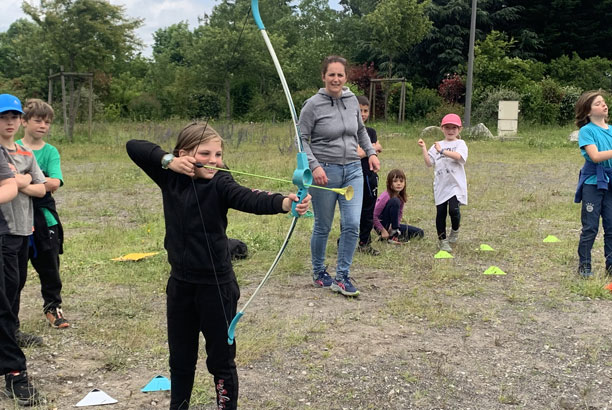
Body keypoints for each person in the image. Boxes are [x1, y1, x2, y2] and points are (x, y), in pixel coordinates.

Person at [126, 123, 311, 410]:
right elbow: (133, 146)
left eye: (218, 154)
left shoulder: (221, 182)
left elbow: (249, 197)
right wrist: (168, 161)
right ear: (184, 154)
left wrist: (286, 202)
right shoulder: (170, 176)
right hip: (180, 286)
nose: (214, 160)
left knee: (221, 361)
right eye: (206, 153)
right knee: (181, 359)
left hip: (217, 287)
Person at [299, 55, 380, 297]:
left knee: (352, 224)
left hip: (353, 170)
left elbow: (360, 130)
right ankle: (318, 271)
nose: (336, 79)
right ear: (323, 76)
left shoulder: (352, 100)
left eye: (340, 75)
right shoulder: (312, 105)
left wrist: (371, 153)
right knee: (323, 226)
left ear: (346, 77)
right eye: (331, 74)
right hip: (325, 173)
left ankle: (342, 276)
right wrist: (314, 166)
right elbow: (301, 139)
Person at [0, 93, 42, 406]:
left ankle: (13, 365)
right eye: (5, 117)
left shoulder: (18, 152)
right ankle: (14, 367)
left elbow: (16, 186)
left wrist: (23, 178)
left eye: (14, 116)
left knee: (10, 293)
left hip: (14, 231)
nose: (10, 122)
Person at [16, 99, 69, 329]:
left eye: (47, 122)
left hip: (44, 217)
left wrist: (24, 182)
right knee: (13, 272)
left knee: (49, 266)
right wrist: (38, 182)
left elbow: (54, 182)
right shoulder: (12, 148)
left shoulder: (50, 152)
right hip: (15, 218)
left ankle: (53, 308)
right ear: (23, 121)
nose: (43, 125)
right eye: (38, 120)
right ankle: (10, 317)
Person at [573, 90, 612, 278]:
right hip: (593, 184)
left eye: (603, 102)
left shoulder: (611, 130)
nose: (603, 105)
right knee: (590, 227)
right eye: (597, 103)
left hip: (610, 183)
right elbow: (595, 156)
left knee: (611, 226)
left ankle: (610, 267)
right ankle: (585, 267)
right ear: (587, 111)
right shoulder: (586, 131)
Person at [417, 113, 468, 252]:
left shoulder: (460, 143)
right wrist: (423, 148)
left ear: (459, 129)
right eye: (447, 127)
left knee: (453, 210)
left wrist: (443, 151)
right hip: (441, 185)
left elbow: (459, 157)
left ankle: (455, 230)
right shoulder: (437, 145)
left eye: (454, 128)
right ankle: (442, 240)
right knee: (441, 213)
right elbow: (429, 163)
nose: (450, 130)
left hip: (455, 185)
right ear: (442, 128)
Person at [356, 95, 383, 255]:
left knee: (368, 210)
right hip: (354, 175)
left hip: (370, 176)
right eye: (360, 111)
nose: (363, 114)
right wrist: (373, 148)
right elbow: (356, 154)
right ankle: (346, 240)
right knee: (351, 210)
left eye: (366, 111)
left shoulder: (370, 132)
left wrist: (370, 149)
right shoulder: (349, 132)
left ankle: (364, 242)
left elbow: (375, 152)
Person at [373, 169, 424, 243]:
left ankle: (393, 236)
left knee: (420, 233)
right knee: (395, 201)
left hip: (393, 226)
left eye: (401, 181)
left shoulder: (400, 196)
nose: (399, 183)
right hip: (381, 225)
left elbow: (399, 213)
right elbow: (373, 216)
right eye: (395, 181)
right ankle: (390, 234)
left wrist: (395, 225)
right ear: (389, 183)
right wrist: (382, 230)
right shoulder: (386, 196)